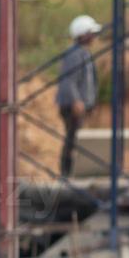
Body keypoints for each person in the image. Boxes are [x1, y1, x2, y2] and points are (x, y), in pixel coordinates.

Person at [56, 15, 100, 178]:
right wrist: (76, 101)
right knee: (72, 138)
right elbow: (68, 80)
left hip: (81, 105)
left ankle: (72, 171)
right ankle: (66, 173)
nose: (94, 37)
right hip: (72, 106)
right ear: (83, 35)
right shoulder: (74, 54)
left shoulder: (84, 53)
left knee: (76, 138)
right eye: (91, 33)